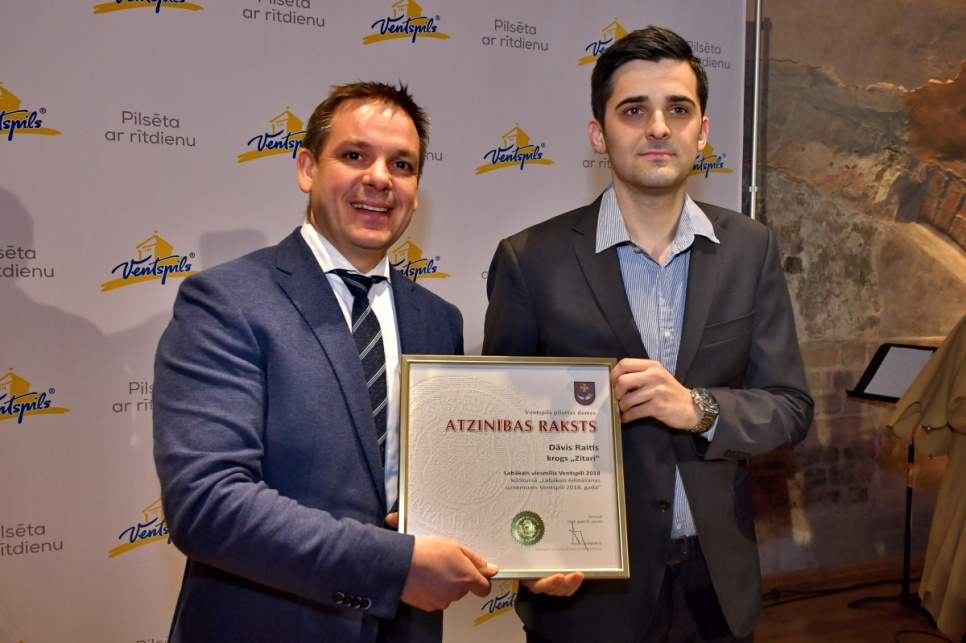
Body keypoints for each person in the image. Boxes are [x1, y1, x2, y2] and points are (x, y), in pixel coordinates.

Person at [483, 26, 814, 642]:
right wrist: (523, 552)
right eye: (634, 110)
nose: (658, 127)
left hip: (716, 590)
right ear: (599, 133)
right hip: (586, 595)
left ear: (702, 131)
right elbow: (499, 433)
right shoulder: (531, 260)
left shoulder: (751, 249)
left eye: (677, 110)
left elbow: (790, 408)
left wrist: (699, 408)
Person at [153, 81, 497, 643]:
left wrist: (534, 552)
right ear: (307, 168)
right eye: (355, 155)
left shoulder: (439, 320)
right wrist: (393, 567)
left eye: (402, 165)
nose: (380, 178)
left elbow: (449, 490)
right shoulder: (227, 301)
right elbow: (206, 501)